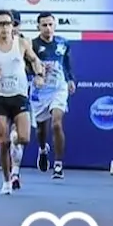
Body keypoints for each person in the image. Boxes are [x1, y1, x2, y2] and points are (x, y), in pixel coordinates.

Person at [0, 9, 45, 195]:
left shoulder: (21, 43)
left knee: (24, 138)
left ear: (13, 26)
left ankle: (15, 138)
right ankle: (6, 182)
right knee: (3, 142)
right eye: (1, 24)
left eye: (8, 23)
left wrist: (39, 75)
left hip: (19, 95)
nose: (5, 27)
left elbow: (35, 60)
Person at [29, 12, 74, 179]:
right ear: (38, 27)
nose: (48, 28)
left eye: (50, 24)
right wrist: (36, 75)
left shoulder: (63, 43)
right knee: (41, 129)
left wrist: (70, 80)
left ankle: (58, 164)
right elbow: (26, 67)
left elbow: (67, 64)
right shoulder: (32, 44)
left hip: (58, 88)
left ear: (54, 25)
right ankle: (42, 149)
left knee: (56, 123)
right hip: (40, 91)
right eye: (44, 25)